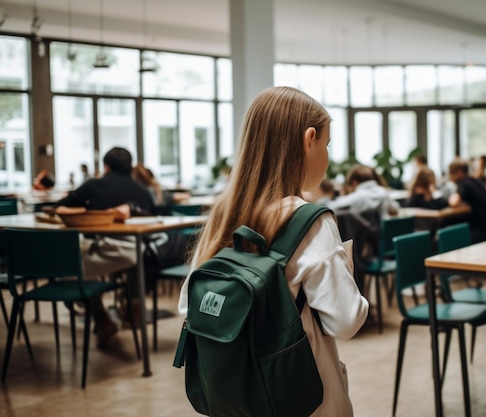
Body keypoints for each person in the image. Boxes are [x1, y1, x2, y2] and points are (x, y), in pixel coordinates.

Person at [178, 86, 368, 416]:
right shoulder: (309, 221)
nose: (327, 155)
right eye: (326, 144)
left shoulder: (224, 215)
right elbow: (346, 321)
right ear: (309, 140)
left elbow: (189, 305)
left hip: (235, 399)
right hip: (299, 398)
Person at [55, 147, 156, 348]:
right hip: (138, 252)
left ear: (106, 166)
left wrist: (87, 209)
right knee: (87, 261)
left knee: (70, 269)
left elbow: (61, 206)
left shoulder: (95, 185)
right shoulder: (143, 190)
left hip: (107, 250)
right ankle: (128, 308)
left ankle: (101, 319)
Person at [326, 164, 400, 219]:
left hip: (363, 238)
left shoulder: (357, 197)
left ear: (354, 183)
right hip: (381, 236)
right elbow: (395, 208)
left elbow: (331, 208)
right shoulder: (382, 192)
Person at [447, 158, 486, 243]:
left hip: (477, 231)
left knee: (447, 226)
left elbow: (453, 202)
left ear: (459, 173)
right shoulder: (475, 181)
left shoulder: (464, 184)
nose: (449, 177)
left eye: (450, 173)